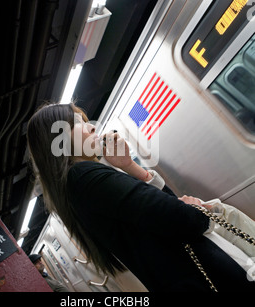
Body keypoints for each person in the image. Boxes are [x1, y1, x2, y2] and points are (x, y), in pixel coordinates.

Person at [27, 102, 255, 292]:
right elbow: (175, 216)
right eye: (79, 124)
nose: (92, 127)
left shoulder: (76, 188)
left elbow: (158, 207)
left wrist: (130, 167)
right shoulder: (81, 176)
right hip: (208, 273)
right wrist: (195, 212)